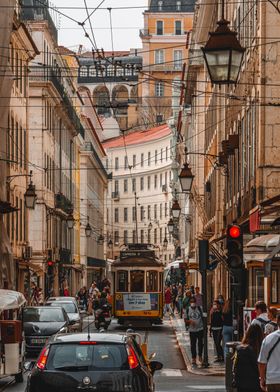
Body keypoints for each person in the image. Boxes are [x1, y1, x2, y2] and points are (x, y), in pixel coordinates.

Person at [233, 324, 263, 392]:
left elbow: (235, 367)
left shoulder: (239, 349)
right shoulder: (261, 349)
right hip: (256, 384)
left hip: (241, 384)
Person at [258, 313, 280, 392]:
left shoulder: (268, 338)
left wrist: (262, 379)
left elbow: (261, 362)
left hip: (273, 379)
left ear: (277, 321)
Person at [185, 297, 204, 366]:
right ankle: (193, 358)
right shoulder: (187, 309)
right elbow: (185, 319)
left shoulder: (200, 308)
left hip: (200, 329)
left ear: (195, 302)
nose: (192, 303)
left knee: (200, 344)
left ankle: (200, 356)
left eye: (193, 302)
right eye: (191, 302)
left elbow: (203, 317)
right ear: (190, 303)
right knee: (193, 344)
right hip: (192, 330)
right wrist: (190, 321)